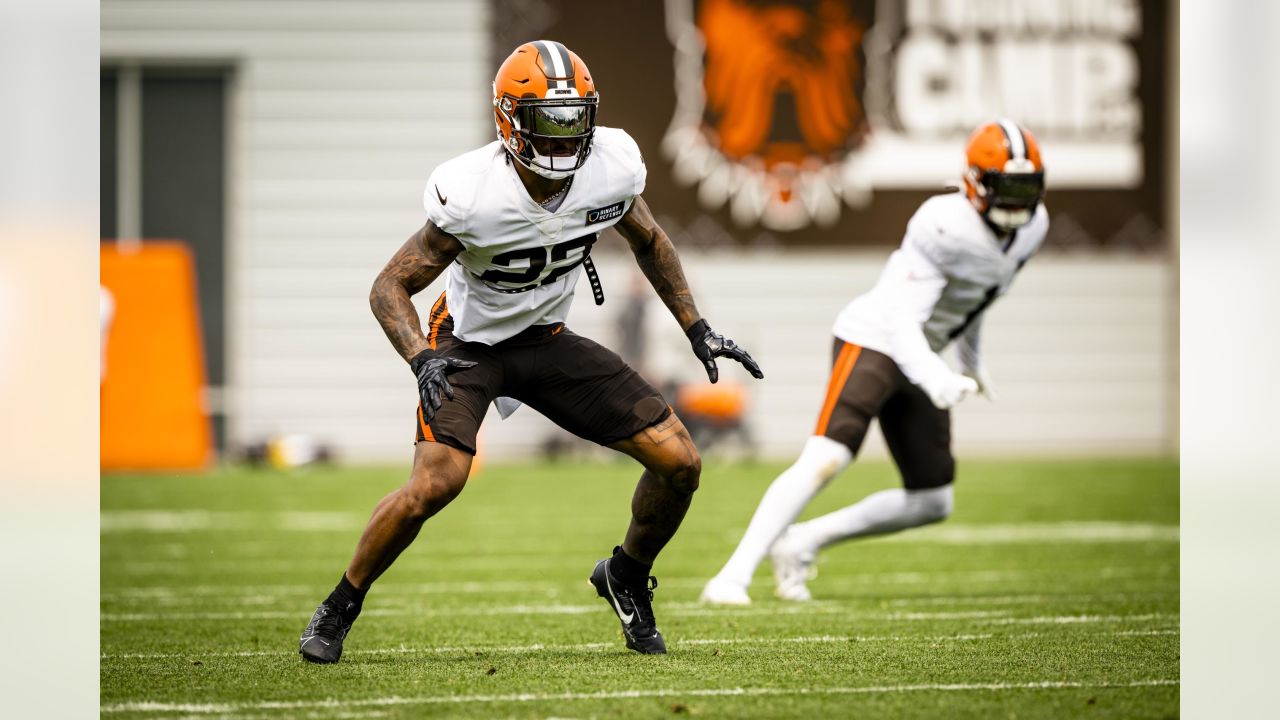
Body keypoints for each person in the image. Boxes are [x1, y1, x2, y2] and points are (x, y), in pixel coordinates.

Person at [299, 40, 763, 662]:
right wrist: (419, 357)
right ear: (510, 121)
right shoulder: (472, 192)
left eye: (577, 122)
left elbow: (650, 241)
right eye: (550, 123)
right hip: (466, 344)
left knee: (681, 462)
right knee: (435, 484)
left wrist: (696, 326)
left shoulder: (611, 168)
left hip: (546, 342)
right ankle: (339, 605)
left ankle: (624, 576)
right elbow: (390, 286)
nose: (566, 142)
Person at [700, 120, 1048, 605]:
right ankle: (732, 576)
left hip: (925, 352)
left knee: (933, 500)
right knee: (828, 456)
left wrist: (972, 361)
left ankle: (802, 541)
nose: (1016, 200)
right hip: (875, 340)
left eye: (1025, 187)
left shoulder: (1034, 228)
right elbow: (902, 321)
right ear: (975, 182)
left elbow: (978, 296)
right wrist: (934, 374)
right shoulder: (943, 223)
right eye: (1006, 186)